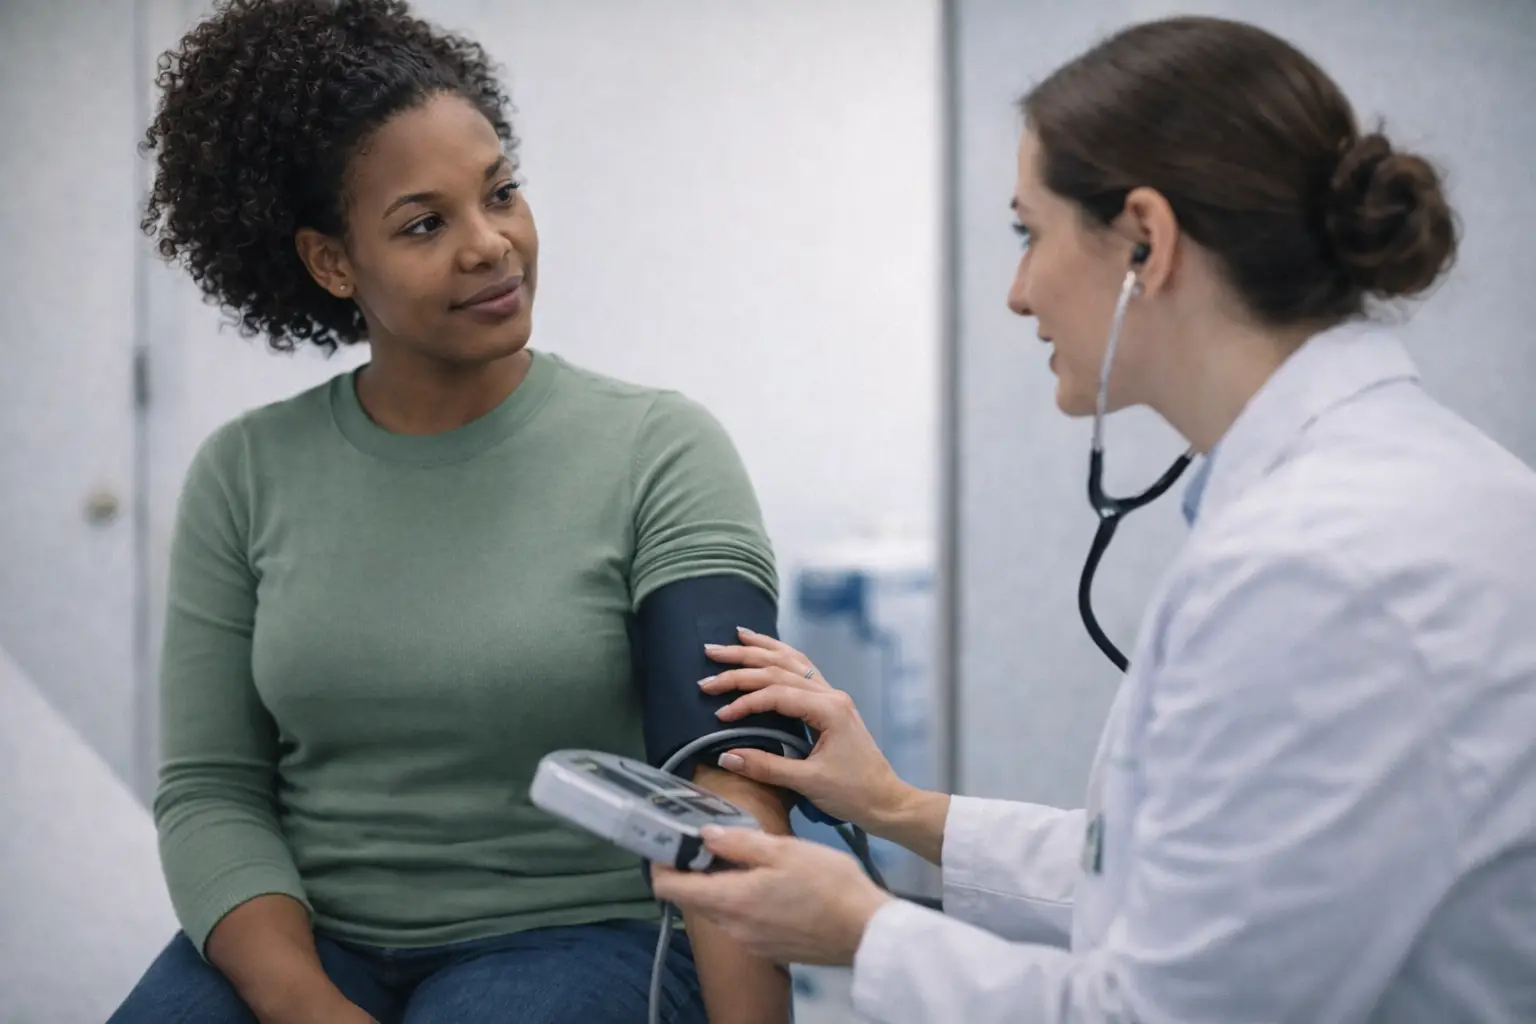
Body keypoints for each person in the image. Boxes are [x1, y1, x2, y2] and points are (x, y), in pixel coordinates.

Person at [652, 15, 1536, 1023]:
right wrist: (897, 810)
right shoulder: (1411, 479)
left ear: (1145, 243)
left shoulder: (1320, 566)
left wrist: (866, 932)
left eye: (1030, 232)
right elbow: (1199, 896)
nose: (1018, 292)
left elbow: (1165, 1010)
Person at [109, 1, 795, 1022]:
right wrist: (302, 1001)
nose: (492, 246)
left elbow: (730, 785)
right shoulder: (244, 473)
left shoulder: (661, 450)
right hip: (308, 936)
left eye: (502, 193)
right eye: (425, 223)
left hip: (575, 934)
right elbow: (213, 788)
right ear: (332, 262)